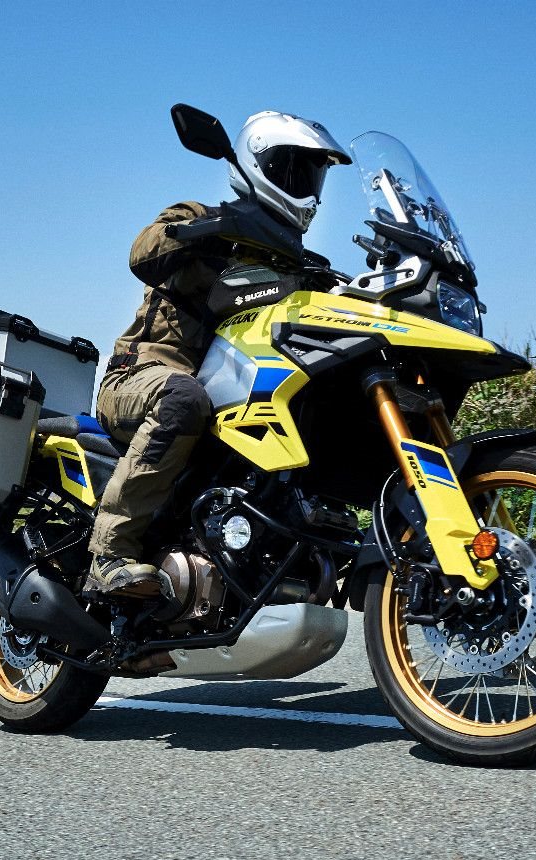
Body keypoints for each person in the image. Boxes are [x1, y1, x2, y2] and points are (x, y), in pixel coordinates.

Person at [86, 110, 350, 596]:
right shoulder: (202, 217)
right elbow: (142, 253)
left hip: (224, 393)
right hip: (141, 378)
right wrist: (212, 226)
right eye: (294, 170)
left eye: (313, 175)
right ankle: (109, 554)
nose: (307, 187)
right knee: (182, 398)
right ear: (256, 166)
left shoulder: (294, 265)